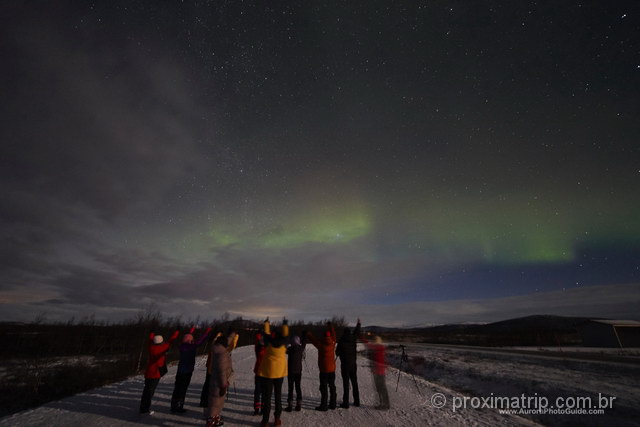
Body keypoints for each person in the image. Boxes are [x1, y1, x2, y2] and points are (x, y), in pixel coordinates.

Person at [171, 326, 212, 413]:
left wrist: (191, 331)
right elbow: (200, 341)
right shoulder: (191, 347)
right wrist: (207, 332)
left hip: (180, 370)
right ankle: (179, 406)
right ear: (190, 340)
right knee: (183, 389)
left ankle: (173, 406)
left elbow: (188, 339)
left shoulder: (182, 346)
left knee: (177, 388)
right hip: (187, 371)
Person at [257, 318, 289, 427]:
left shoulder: (268, 343)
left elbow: (266, 333)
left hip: (268, 374)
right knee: (278, 397)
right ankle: (277, 420)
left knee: (267, 398)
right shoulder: (284, 344)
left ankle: (265, 421)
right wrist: (285, 325)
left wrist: (266, 323)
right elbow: (286, 336)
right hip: (279, 374)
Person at [139, 330, 180, 414]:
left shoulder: (151, 347)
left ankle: (143, 407)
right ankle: (144, 409)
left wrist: (152, 334)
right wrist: (176, 332)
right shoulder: (162, 348)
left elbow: (150, 340)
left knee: (146, 390)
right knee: (150, 392)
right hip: (156, 373)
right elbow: (171, 340)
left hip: (148, 372)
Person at [306, 322, 337, 411]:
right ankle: (333, 404)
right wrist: (331, 326)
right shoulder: (333, 342)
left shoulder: (321, 345)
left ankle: (324, 406)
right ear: (330, 336)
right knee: (332, 386)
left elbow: (313, 340)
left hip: (324, 370)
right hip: (332, 369)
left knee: (323, 388)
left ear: (324, 336)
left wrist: (309, 334)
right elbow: (334, 334)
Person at [206, 333, 235, 427]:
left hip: (214, 381)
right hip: (219, 384)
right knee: (216, 403)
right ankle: (212, 421)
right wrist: (223, 386)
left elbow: (227, 340)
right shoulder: (223, 355)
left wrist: (232, 334)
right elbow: (222, 372)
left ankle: (215, 418)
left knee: (215, 402)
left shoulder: (215, 348)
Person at [335, 318, 361, 408]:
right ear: (350, 332)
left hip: (345, 366)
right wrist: (359, 324)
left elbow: (337, 352)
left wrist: (340, 352)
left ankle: (345, 403)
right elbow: (357, 332)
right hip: (353, 365)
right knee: (354, 383)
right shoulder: (353, 338)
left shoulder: (341, 341)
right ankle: (357, 401)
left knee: (346, 384)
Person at [363, 335, 390, 410]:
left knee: (380, 388)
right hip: (380, 371)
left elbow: (368, 345)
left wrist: (362, 337)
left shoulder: (377, 348)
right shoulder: (381, 348)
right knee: (381, 388)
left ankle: (384, 404)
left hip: (378, 372)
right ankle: (385, 404)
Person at [284, 335, 305, 412]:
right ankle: (299, 404)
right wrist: (304, 337)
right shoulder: (301, 349)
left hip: (291, 372)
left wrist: (286, 340)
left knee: (291, 388)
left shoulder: (290, 349)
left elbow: (284, 349)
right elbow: (304, 344)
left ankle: (290, 405)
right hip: (298, 372)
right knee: (298, 387)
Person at [253, 332, 267, 415]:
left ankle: (256, 409)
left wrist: (258, 335)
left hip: (258, 373)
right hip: (265, 374)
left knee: (257, 392)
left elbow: (256, 343)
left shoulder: (258, 350)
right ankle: (262, 409)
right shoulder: (267, 350)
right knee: (265, 392)